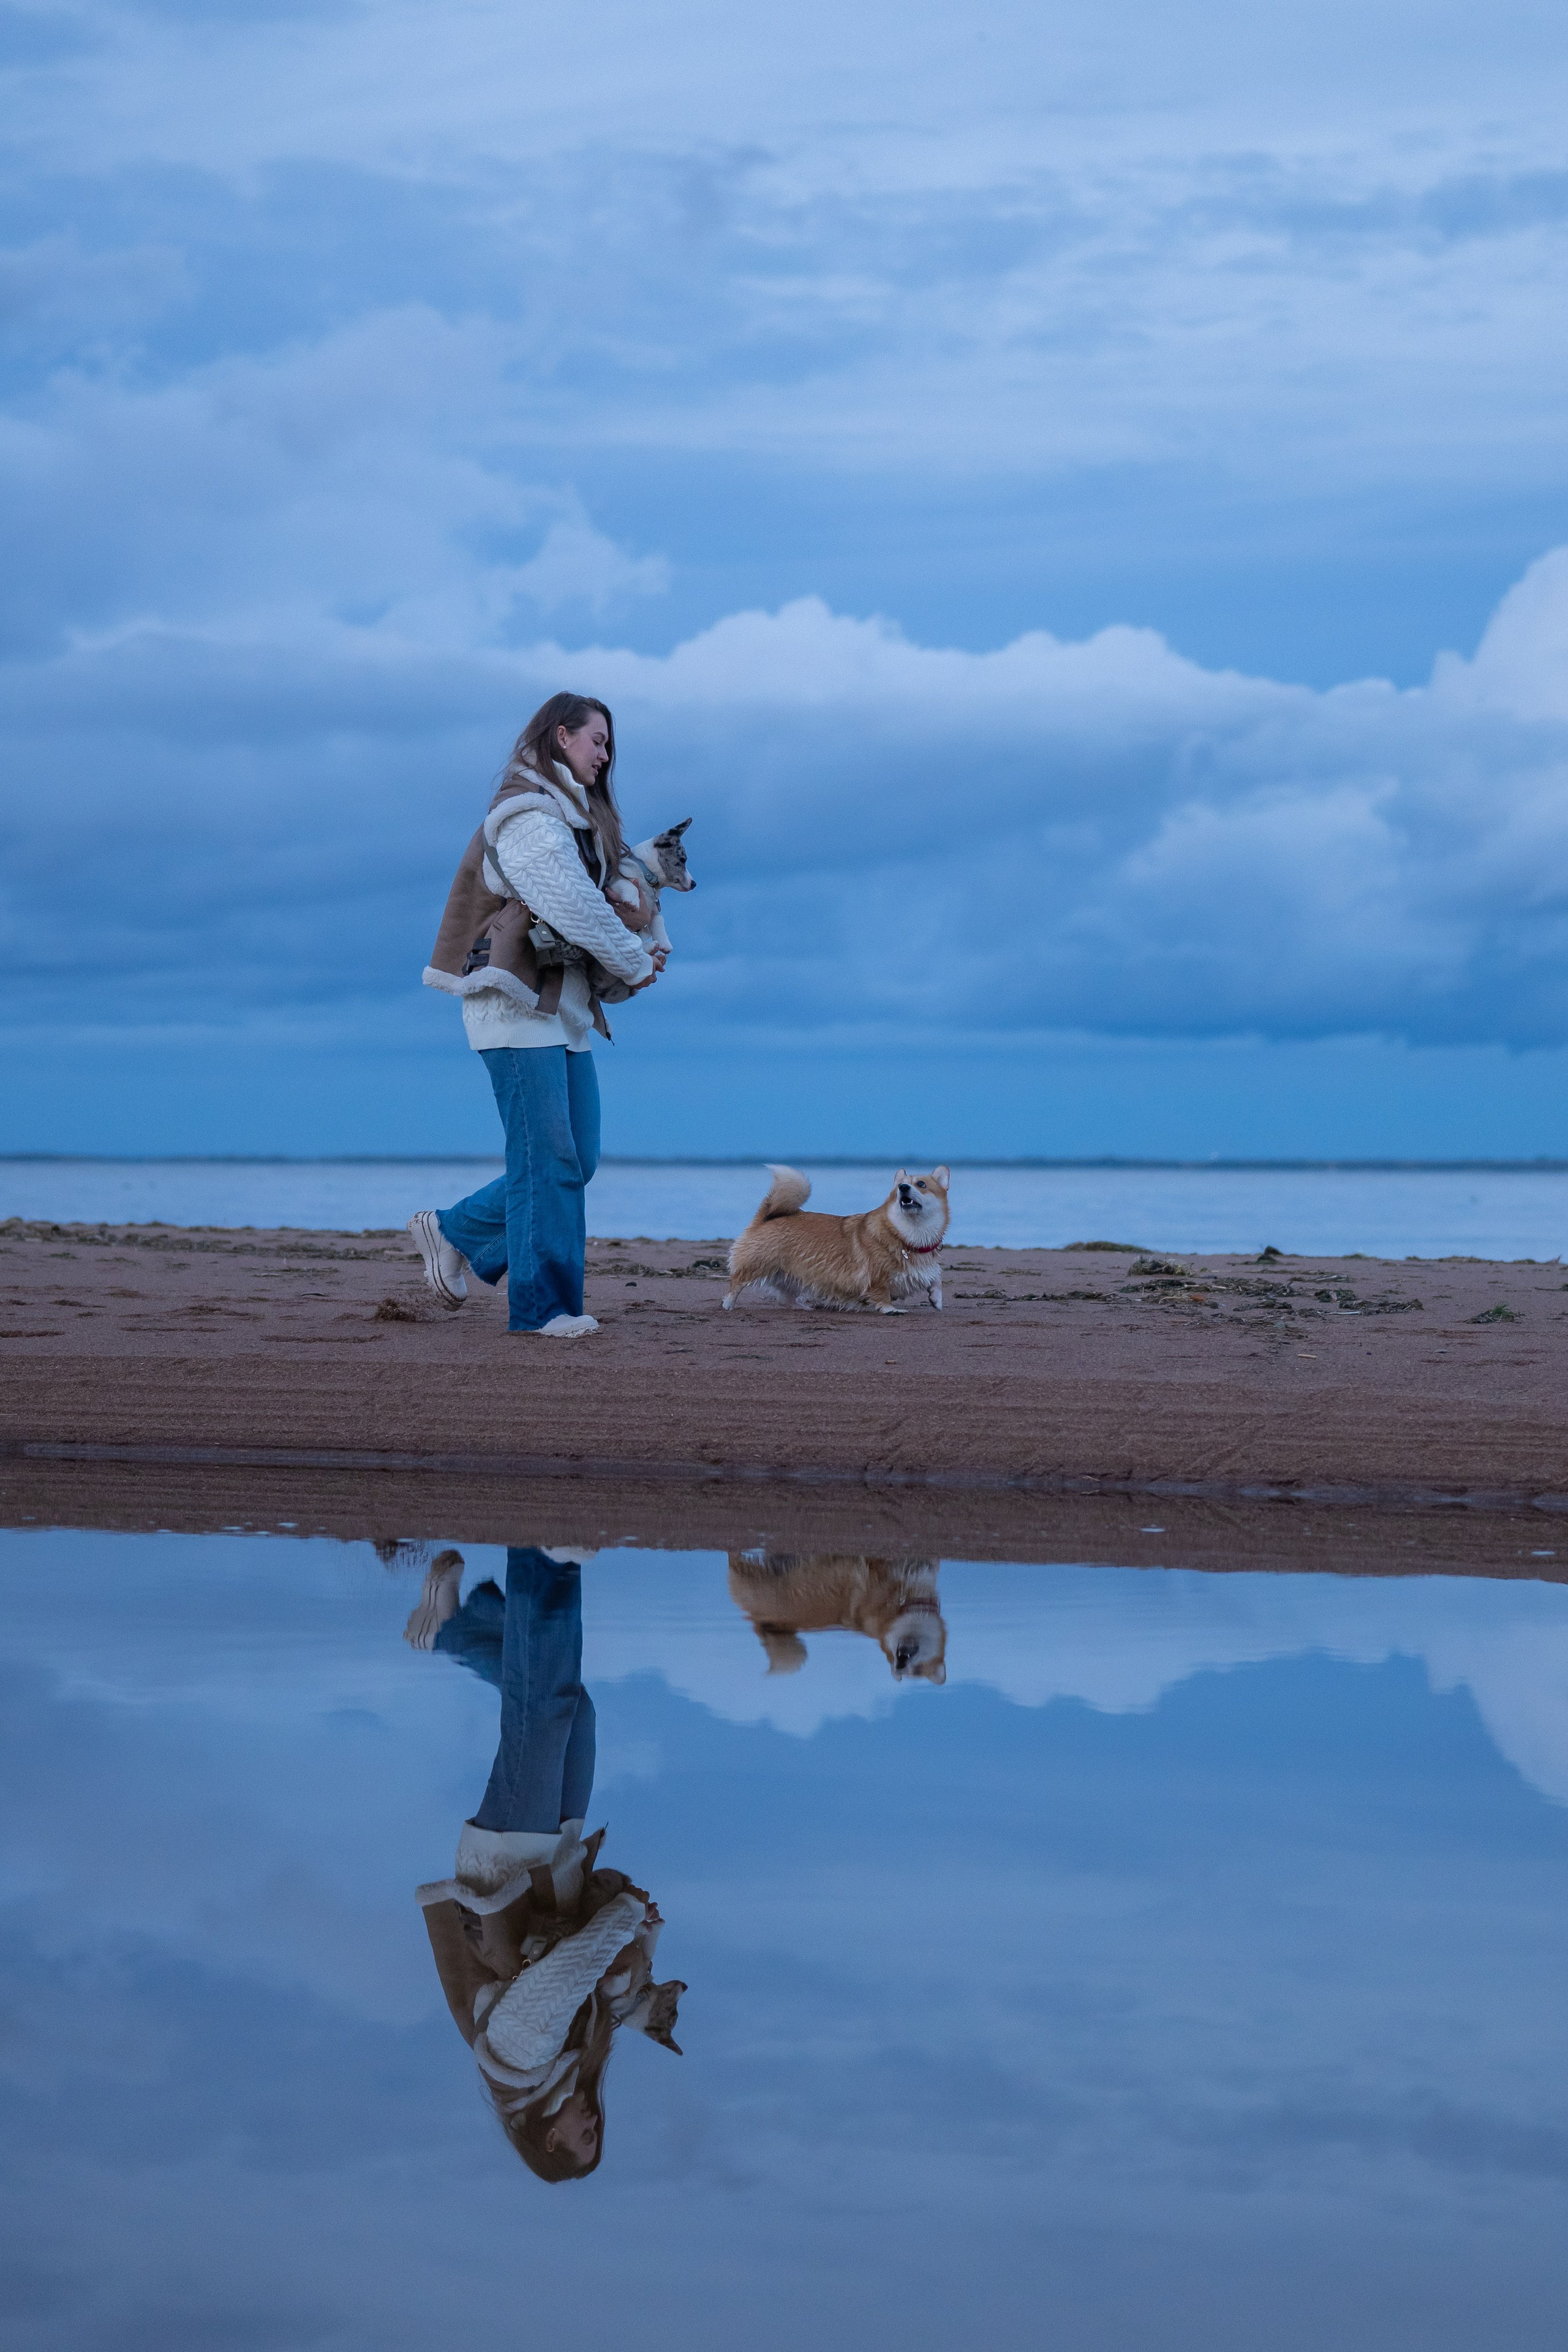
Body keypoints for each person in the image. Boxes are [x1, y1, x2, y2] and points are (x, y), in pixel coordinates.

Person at [407, 1545, 685, 2182]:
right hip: (552, 1868)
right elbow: (601, 1979)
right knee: (572, 1714)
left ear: (550, 2142)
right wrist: (647, 1941)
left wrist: (623, 1916)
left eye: (584, 2141)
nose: (594, 2127)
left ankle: (544, 1551)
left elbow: (568, 1970)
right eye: (600, 2135)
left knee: (546, 1711)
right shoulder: (569, 2063)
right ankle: (456, 1631)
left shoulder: (521, 2062)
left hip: (505, 1867)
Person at [409, 693, 665, 1337]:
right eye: (597, 740)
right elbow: (573, 904)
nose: (606, 755)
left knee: (576, 1159)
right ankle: (543, 1309)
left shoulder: (577, 818)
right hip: (515, 1010)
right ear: (560, 736)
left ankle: (454, 1229)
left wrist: (641, 937)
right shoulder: (527, 814)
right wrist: (633, 964)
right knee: (546, 1162)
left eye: (610, 745)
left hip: (564, 1013)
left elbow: (608, 899)